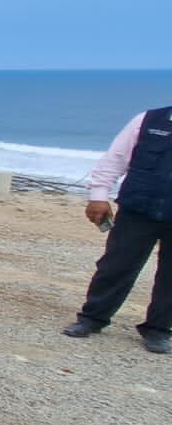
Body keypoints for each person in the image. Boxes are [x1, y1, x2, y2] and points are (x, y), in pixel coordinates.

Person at [62, 106, 172, 354]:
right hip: (138, 209)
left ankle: (159, 330)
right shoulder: (147, 120)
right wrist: (98, 195)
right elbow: (115, 159)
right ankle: (92, 318)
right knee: (115, 266)